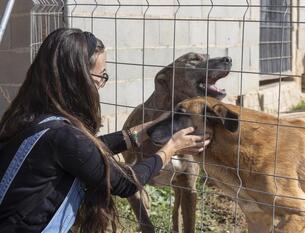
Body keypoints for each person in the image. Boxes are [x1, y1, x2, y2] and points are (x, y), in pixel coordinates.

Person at [0, 28, 210, 233]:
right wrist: (171, 147)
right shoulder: (65, 137)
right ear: (78, 78)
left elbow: (88, 148)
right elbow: (126, 183)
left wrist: (148, 128)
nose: (102, 84)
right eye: (101, 75)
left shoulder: (31, 117)